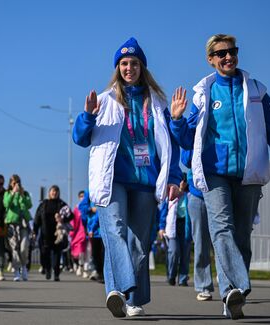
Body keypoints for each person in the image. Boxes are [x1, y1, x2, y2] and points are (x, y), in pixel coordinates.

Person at [169, 34, 270, 319]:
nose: (228, 57)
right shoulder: (205, 91)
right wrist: (177, 121)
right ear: (211, 59)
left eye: (232, 51)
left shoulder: (255, 90)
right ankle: (235, 288)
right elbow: (188, 139)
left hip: (249, 171)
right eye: (221, 53)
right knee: (222, 229)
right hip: (215, 173)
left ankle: (230, 297)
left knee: (242, 237)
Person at [73, 37, 182, 318]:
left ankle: (130, 299)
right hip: (113, 180)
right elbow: (80, 139)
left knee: (138, 244)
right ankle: (118, 290)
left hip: (146, 181)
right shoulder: (105, 100)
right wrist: (87, 116)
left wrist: (172, 177)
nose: (129, 67)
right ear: (117, 68)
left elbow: (170, 145)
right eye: (123, 63)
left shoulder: (157, 102)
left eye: (133, 63)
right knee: (116, 231)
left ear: (142, 67)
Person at [182, 149, 214, 301]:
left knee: (225, 239)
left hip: (223, 190)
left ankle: (231, 285)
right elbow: (186, 159)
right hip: (198, 194)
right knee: (201, 242)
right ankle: (203, 285)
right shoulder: (193, 127)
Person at [158, 175, 192, 287]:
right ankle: (171, 275)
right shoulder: (171, 195)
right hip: (172, 226)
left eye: (184, 181)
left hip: (185, 226)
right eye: (181, 180)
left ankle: (182, 278)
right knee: (173, 251)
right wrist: (161, 227)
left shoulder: (189, 196)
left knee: (185, 253)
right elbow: (163, 212)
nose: (182, 183)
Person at [33, 185, 72, 281]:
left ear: (58, 193)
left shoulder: (62, 204)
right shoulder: (43, 204)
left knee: (56, 254)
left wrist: (62, 219)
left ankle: (56, 273)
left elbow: (71, 215)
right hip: (45, 233)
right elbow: (37, 218)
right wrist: (35, 230)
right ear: (49, 193)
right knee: (44, 253)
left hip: (57, 233)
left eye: (56, 191)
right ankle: (47, 269)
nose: (54, 193)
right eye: (52, 191)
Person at [3, 174, 32, 281]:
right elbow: (6, 204)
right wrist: (13, 193)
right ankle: (16, 271)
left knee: (24, 247)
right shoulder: (7, 193)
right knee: (15, 248)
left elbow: (29, 205)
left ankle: (24, 266)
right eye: (14, 182)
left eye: (18, 182)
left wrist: (22, 195)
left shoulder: (25, 193)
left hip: (23, 224)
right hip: (11, 224)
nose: (16, 184)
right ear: (11, 183)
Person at [79, 190, 104, 282]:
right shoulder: (89, 192)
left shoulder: (108, 188)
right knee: (95, 253)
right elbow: (82, 208)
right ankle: (99, 272)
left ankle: (103, 274)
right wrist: (90, 209)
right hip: (94, 231)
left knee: (104, 253)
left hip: (104, 229)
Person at [70, 191, 88, 276]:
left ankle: (86, 269)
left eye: (84, 196)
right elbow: (74, 221)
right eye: (81, 196)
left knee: (88, 252)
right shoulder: (77, 208)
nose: (82, 198)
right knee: (81, 252)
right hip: (80, 234)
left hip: (89, 232)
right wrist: (72, 232)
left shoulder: (90, 207)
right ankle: (80, 266)